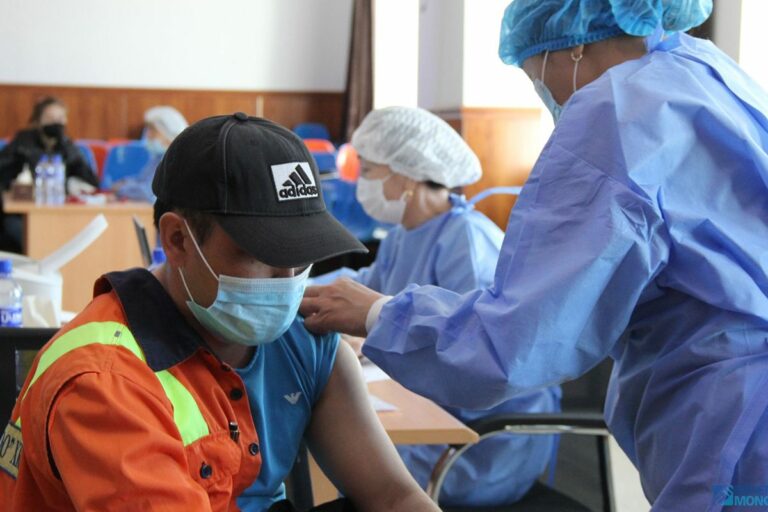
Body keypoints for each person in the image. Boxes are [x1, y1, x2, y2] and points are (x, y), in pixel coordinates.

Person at [300, 1, 768, 509]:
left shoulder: (615, 111)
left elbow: (512, 345)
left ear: (573, 46)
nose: (548, 95)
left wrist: (379, 315)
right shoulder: (705, 70)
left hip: (734, 417)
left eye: (535, 75)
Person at [0, 113, 440, 512]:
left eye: (303, 254)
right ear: (178, 240)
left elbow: (394, 496)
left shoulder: (303, 339)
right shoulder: (104, 383)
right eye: (263, 254)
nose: (287, 280)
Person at [314, 106, 561, 507]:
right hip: (435, 414)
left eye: (370, 170)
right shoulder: (404, 235)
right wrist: (292, 289)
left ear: (406, 174)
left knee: (344, 468)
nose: (361, 182)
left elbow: (477, 357)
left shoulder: (467, 243)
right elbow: (363, 288)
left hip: (482, 442)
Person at [0, 96, 99, 250]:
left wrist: (69, 153)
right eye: (50, 118)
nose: (55, 123)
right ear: (38, 121)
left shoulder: (67, 146)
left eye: (60, 118)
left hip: (60, 212)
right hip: (22, 213)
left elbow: (92, 182)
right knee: (22, 233)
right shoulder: (23, 142)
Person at [112, 105, 189, 202]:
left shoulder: (175, 160)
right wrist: (123, 182)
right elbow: (141, 179)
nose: (147, 135)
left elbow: (149, 193)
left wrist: (121, 189)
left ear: (168, 133)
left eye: (153, 130)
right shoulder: (157, 158)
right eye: (148, 130)